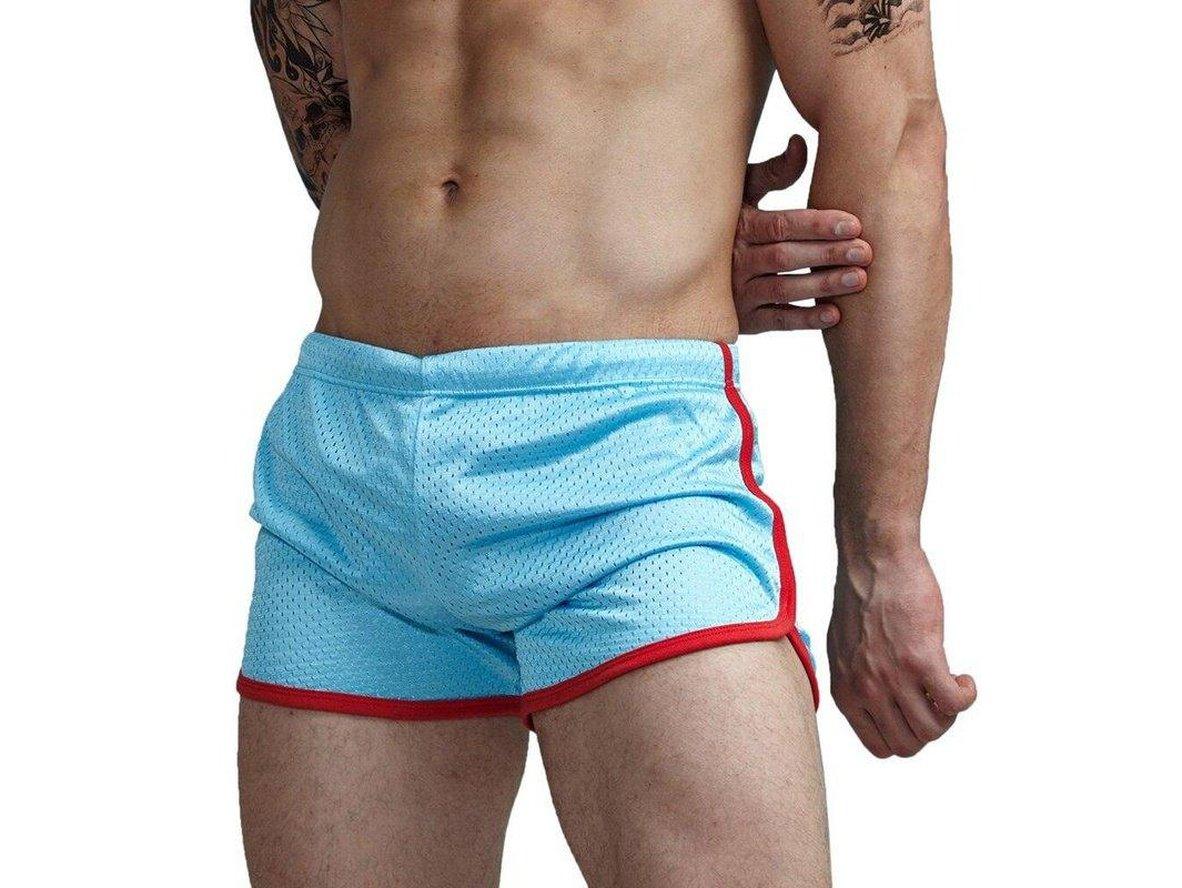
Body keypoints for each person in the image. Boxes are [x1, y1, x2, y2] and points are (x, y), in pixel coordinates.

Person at [237, 1, 976, 885]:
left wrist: (883, 547)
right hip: (347, 477)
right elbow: (333, 114)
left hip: (626, 471)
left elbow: (892, 124)